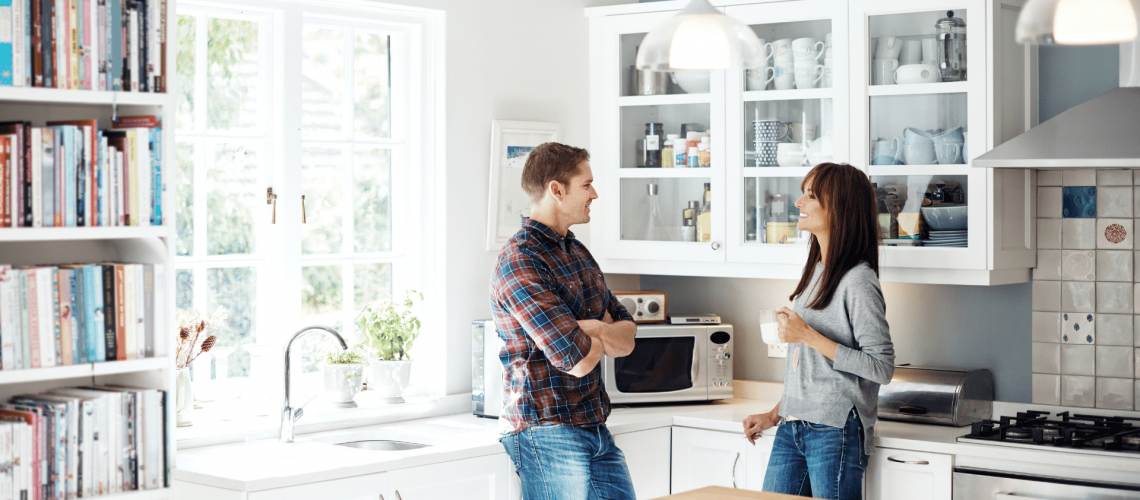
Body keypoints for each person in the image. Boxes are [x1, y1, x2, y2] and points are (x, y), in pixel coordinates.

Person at [490, 142, 638, 500]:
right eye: (586, 185)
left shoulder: (577, 252)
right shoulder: (520, 260)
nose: (595, 194)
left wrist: (595, 328)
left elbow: (629, 339)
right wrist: (599, 333)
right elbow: (578, 360)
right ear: (557, 190)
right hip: (546, 430)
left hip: (595, 427)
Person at [741, 162, 895, 500]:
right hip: (793, 425)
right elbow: (811, 364)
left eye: (810, 196)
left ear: (838, 208)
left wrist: (806, 334)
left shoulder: (858, 280)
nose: (799, 202)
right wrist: (774, 414)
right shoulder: (816, 272)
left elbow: (882, 368)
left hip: (835, 429)